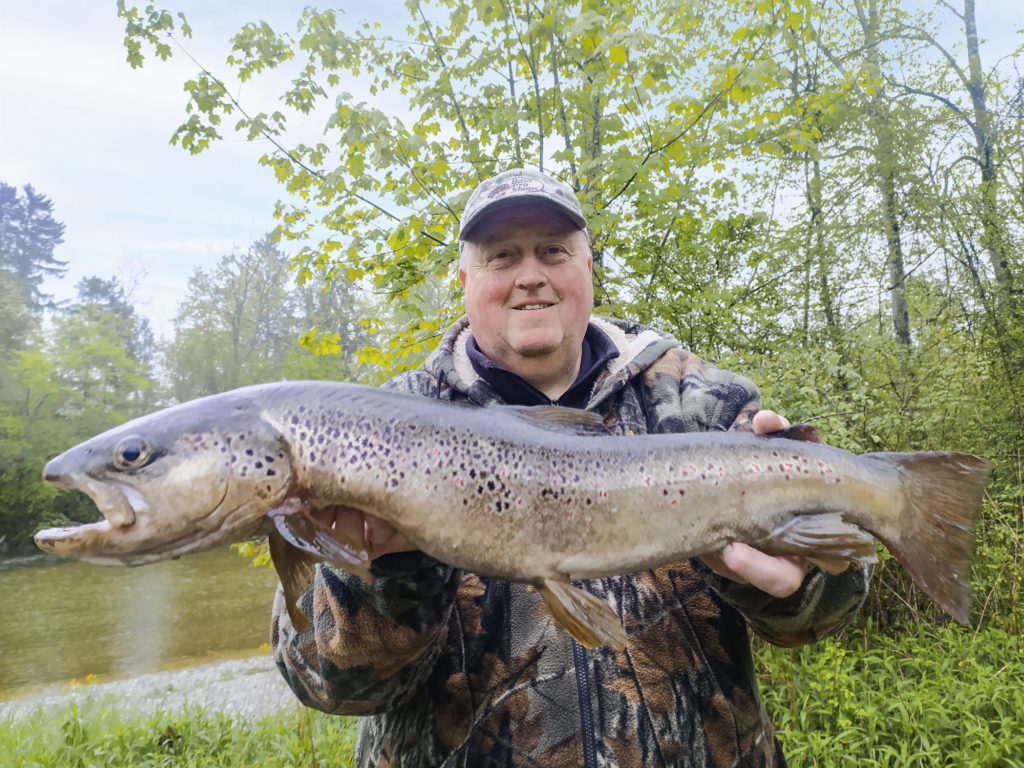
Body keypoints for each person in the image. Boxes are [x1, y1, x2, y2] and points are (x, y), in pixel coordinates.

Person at [271, 168, 872, 767]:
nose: (530, 276)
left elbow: (825, 610)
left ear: (588, 267)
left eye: (553, 251)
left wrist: (800, 577)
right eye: (501, 256)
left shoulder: (701, 404)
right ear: (464, 280)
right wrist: (392, 569)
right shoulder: (374, 430)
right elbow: (323, 681)